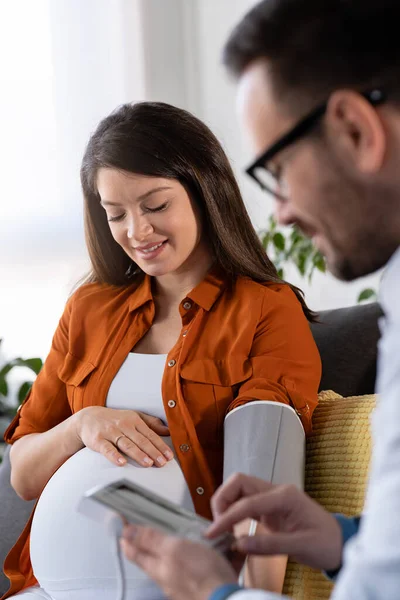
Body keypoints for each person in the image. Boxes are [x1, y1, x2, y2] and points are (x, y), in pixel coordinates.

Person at [119, 0, 400, 599]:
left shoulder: (264, 311)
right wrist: (343, 538)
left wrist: (217, 594)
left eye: (279, 170)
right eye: (114, 212)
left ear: (357, 130)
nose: (282, 211)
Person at [1, 101, 321, 600]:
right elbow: (22, 474)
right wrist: (84, 424)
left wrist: (252, 597)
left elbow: (267, 463)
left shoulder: (265, 309)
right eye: (116, 214)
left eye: (155, 205)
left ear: (203, 190)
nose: (137, 231)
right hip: (48, 589)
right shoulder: (87, 309)